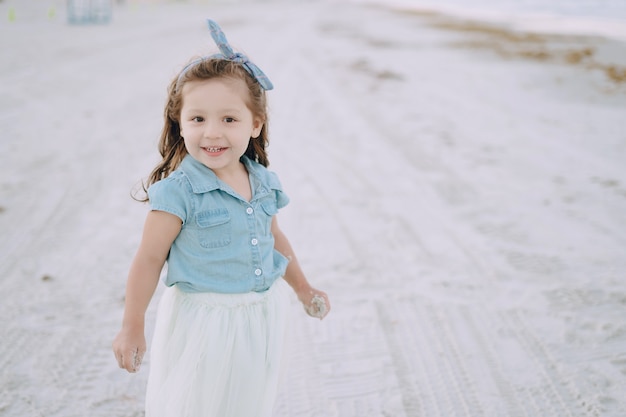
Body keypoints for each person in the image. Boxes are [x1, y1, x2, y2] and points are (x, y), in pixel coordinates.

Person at [112, 19, 330, 417]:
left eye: (229, 119)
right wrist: (132, 324)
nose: (212, 133)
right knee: (198, 404)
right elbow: (147, 259)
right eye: (198, 119)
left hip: (260, 317)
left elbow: (274, 238)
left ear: (255, 123)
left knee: (247, 402)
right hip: (203, 323)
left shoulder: (262, 181)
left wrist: (303, 288)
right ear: (180, 123)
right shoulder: (178, 191)